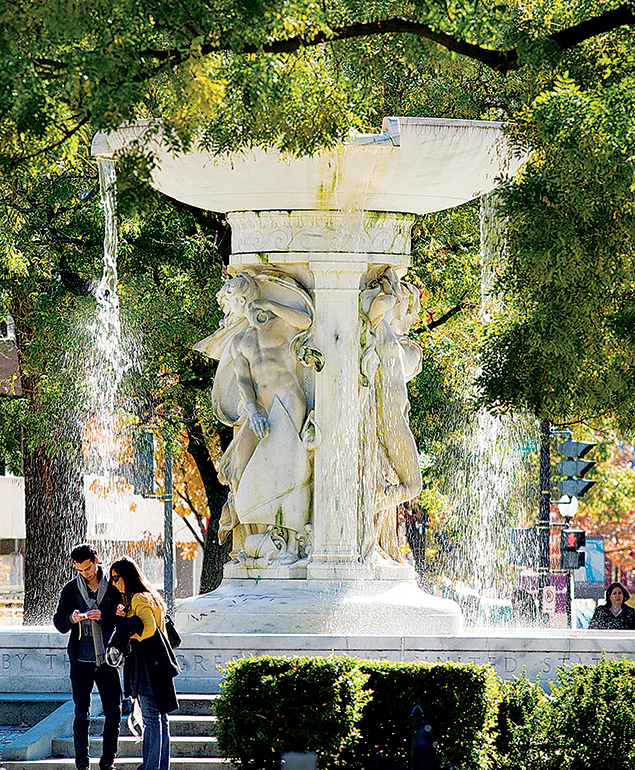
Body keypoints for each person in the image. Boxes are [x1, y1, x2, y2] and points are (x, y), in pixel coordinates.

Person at [53, 543, 122, 770]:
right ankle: (82, 764)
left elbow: (121, 620)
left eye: (88, 568)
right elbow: (59, 622)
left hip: (106, 661)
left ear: (96, 561)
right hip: (80, 661)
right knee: (81, 714)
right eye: (80, 570)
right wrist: (73, 618)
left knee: (114, 712)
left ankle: (107, 763)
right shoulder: (71, 589)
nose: (85, 573)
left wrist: (104, 616)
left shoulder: (112, 587)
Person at [110, 557, 179, 770]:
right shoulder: (150, 596)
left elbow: (147, 629)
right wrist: (127, 614)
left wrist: (128, 630)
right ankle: (160, 767)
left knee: (151, 719)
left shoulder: (139, 598)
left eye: (115, 578)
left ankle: (150, 767)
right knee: (161, 719)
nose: (113, 583)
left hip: (146, 665)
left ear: (126, 577)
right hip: (160, 663)